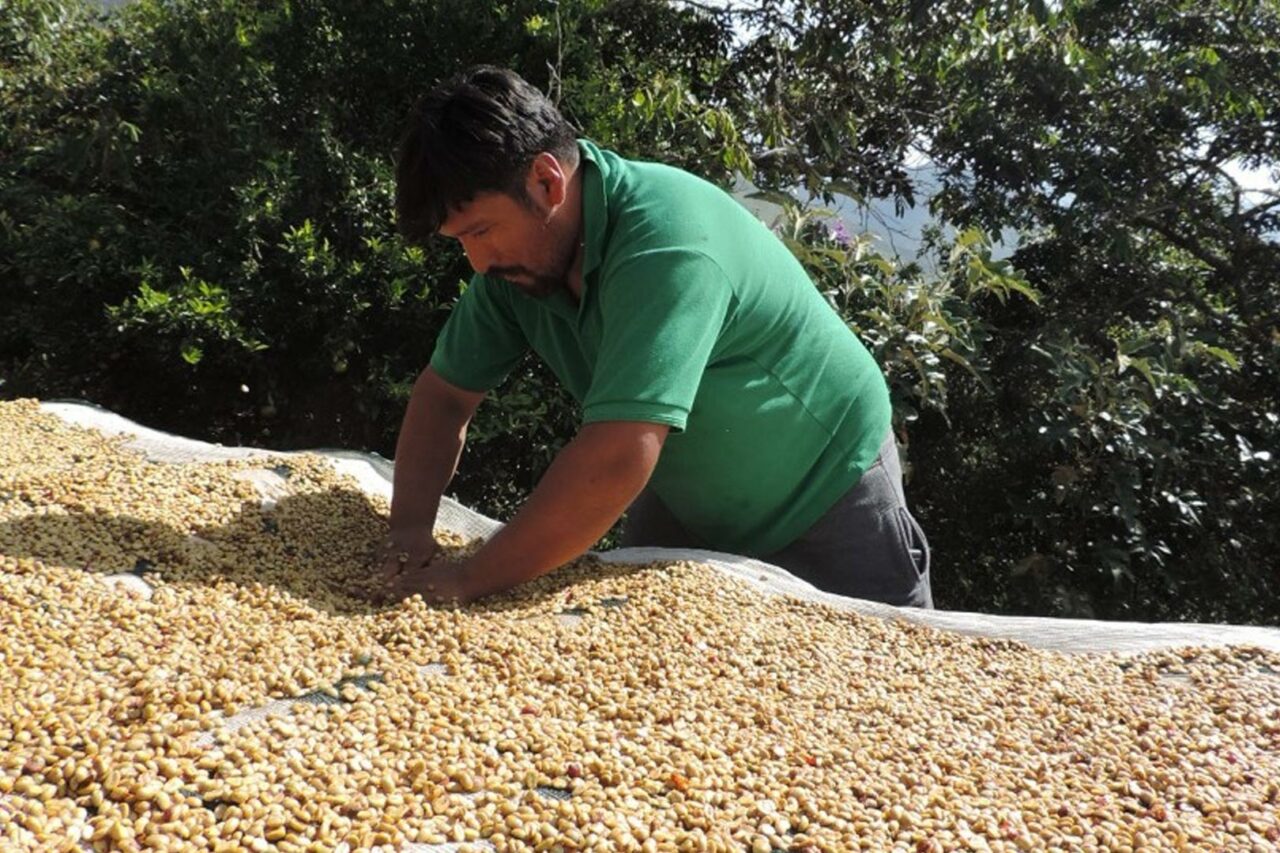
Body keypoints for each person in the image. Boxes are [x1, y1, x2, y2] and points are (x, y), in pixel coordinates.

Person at [381, 65, 932, 609]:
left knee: (885, 672)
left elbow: (618, 455)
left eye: (481, 230)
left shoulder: (666, 244)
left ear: (547, 182)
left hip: (826, 487)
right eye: (460, 241)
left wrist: (469, 578)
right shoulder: (514, 269)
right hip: (685, 493)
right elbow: (445, 397)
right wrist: (408, 532)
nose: (477, 261)